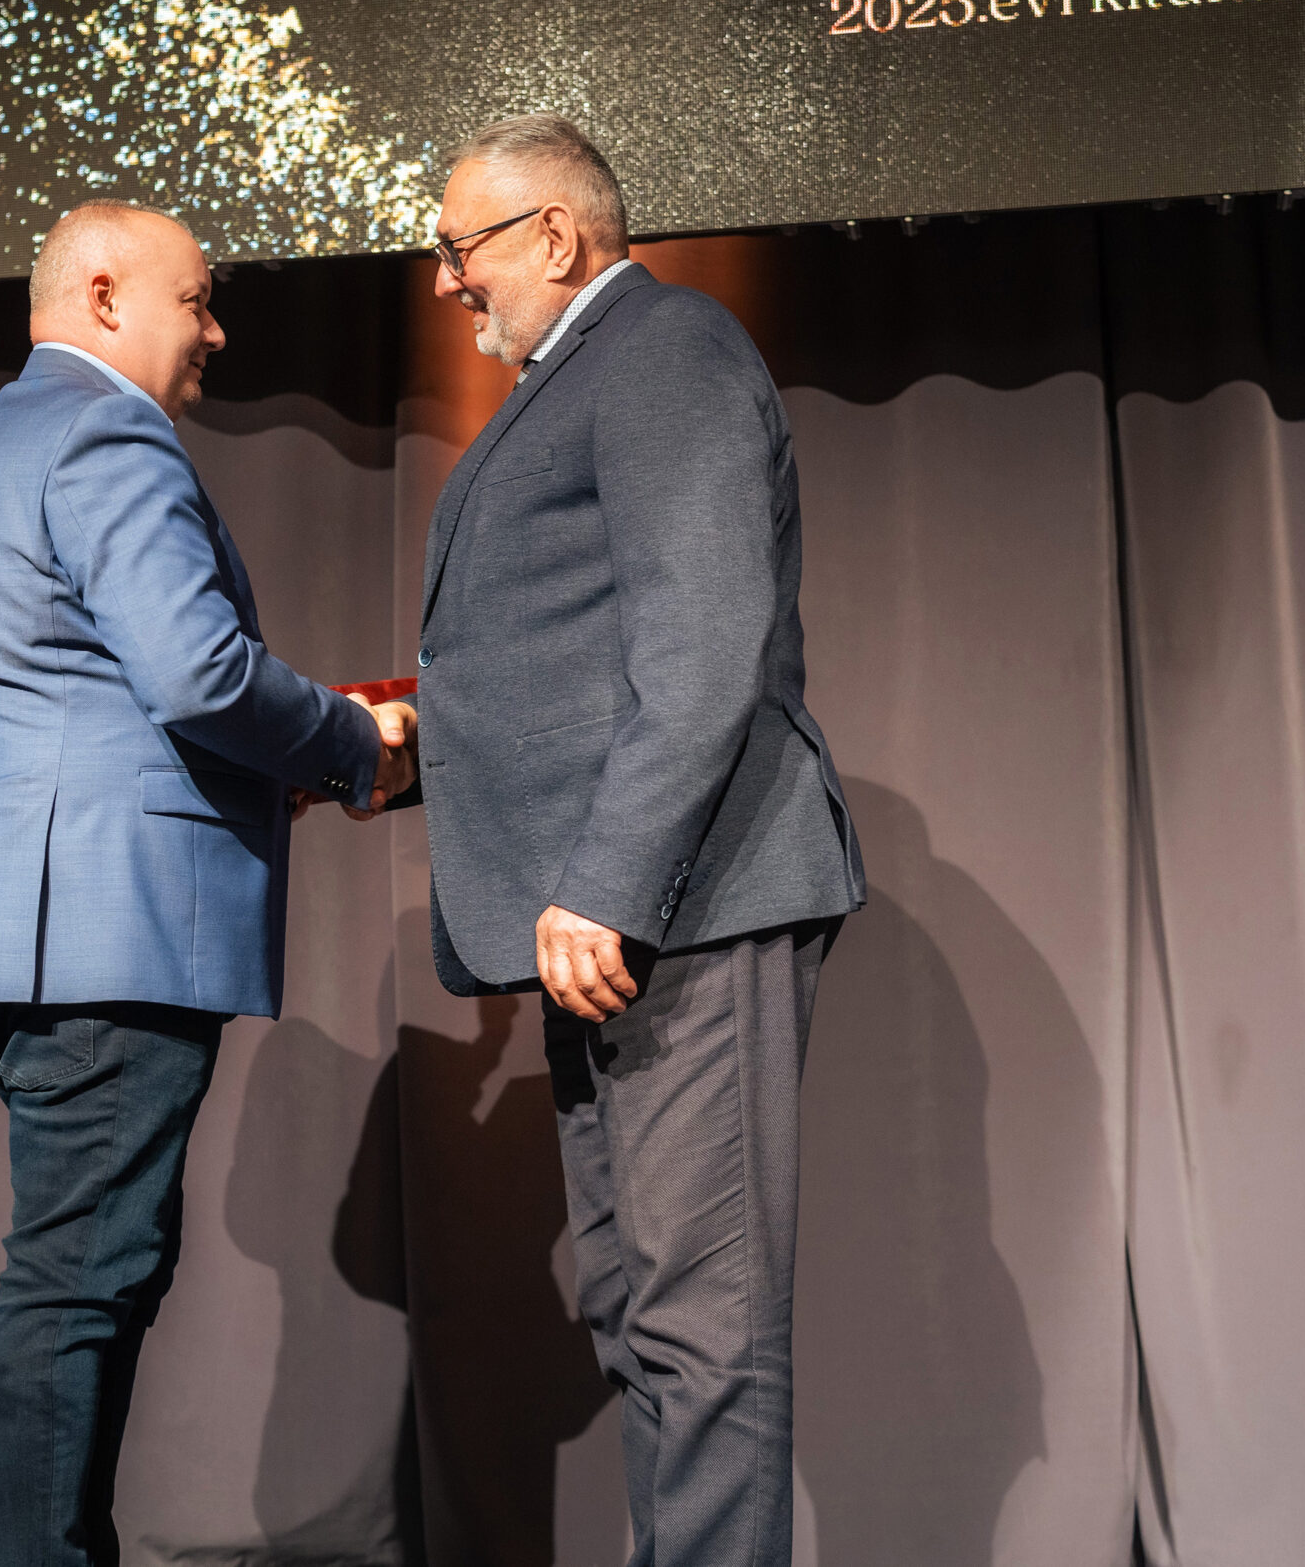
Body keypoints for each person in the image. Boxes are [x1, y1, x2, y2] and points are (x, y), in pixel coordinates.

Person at [388, 115, 866, 1566]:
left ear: (554, 234)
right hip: (616, 924)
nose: (445, 280)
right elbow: (562, 661)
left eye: (460, 246)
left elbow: (705, 639)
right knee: (640, 1312)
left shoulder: (664, 349)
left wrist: (606, 883)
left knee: (701, 1326)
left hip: (681, 903)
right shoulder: (582, 372)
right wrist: (394, 745)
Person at [0, 201, 413, 1566]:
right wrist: (348, 740)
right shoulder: (106, 431)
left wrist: (275, 766)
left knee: (82, 1275)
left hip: (52, 923)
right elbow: (198, 674)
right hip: (111, 931)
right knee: (80, 1282)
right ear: (101, 294)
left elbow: (104, 692)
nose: (216, 331)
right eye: (195, 300)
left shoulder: (8, 436)